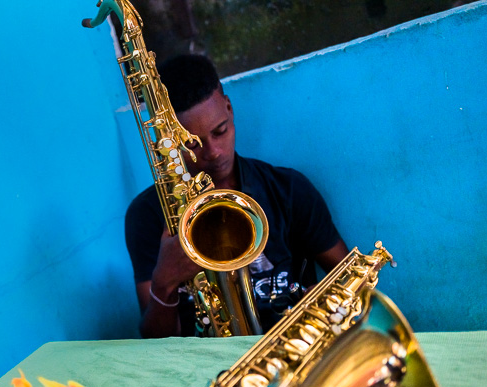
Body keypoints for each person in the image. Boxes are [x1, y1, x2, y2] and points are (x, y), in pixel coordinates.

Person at [125, 54, 349, 338]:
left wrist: (324, 303)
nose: (213, 152)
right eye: (192, 144)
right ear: (169, 144)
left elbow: (345, 275)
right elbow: (154, 343)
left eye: (220, 131)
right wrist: (163, 284)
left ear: (229, 108)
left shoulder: (289, 189)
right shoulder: (145, 216)